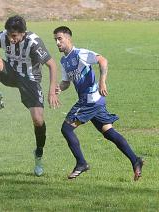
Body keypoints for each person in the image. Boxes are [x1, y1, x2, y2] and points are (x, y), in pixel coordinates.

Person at [0, 15, 60, 177]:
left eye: (14, 36)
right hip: (10, 74)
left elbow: (52, 65)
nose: (11, 39)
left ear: (23, 33)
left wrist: (51, 90)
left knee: (38, 120)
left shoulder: (34, 42)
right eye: (9, 35)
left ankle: (38, 153)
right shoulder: (2, 36)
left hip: (30, 80)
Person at [53, 26, 143, 180]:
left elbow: (102, 60)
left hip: (90, 99)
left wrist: (102, 82)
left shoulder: (80, 53)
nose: (57, 42)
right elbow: (66, 82)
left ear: (68, 38)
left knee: (66, 129)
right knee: (108, 132)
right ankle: (136, 160)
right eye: (55, 39)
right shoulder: (64, 61)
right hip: (94, 101)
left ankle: (81, 163)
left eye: (59, 38)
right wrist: (59, 88)